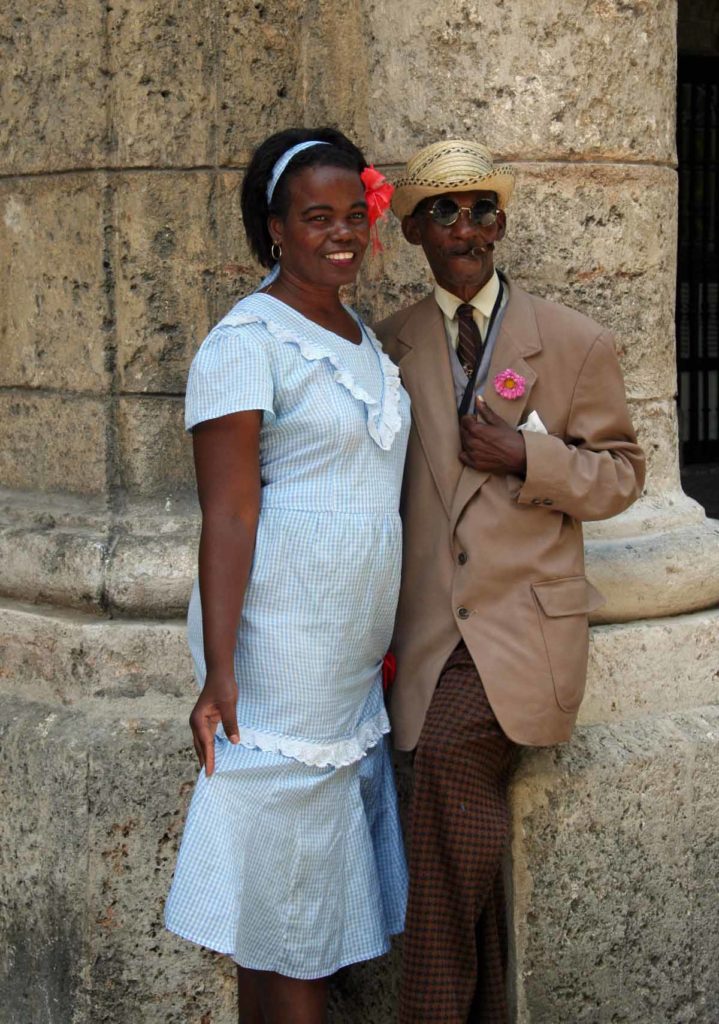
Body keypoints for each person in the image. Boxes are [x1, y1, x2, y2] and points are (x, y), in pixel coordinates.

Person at [375, 139, 645, 1024]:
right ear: (413, 229)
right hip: (426, 642)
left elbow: (620, 476)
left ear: (502, 222)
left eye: (482, 208)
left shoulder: (571, 340)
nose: (468, 227)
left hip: (521, 636)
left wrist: (529, 455)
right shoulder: (390, 345)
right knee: (455, 835)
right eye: (445, 212)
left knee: (450, 787)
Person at [164, 127, 409, 1024]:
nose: (340, 233)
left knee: (286, 903)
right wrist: (218, 672)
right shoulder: (247, 339)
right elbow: (227, 513)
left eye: (354, 214)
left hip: (347, 660)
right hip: (281, 656)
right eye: (316, 218)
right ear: (275, 229)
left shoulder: (359, 338)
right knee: (295, 905)